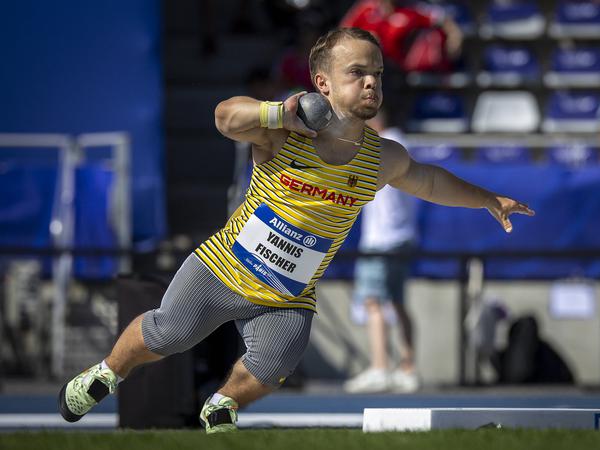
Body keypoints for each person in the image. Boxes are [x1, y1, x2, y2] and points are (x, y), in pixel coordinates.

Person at [58, 27, 534, 433]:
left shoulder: (383, 157)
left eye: (378, 74)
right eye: (358, 73)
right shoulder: (285, 133)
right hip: (223, 269)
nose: (371, 82)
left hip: (289, 293)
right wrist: (279, 112)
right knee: (166, 335)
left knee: (273, 367)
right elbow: (225, 116)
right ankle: (105, 373)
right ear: (322, 84)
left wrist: (487, 198)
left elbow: (429, 180)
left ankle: (222, 404)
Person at [343, 109, 419, 393]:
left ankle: (380, 367)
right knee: (397, 302)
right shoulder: (399, 143)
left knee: (373, 302)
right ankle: (408, 369)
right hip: (400, 236)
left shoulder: (385, 145)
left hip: (383, 239)